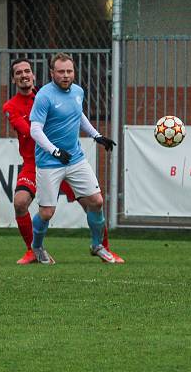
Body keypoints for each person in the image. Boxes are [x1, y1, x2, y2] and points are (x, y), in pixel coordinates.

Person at [27, 52, 121, 265]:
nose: (66, 75)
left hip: (75, 158)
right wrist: (55, 151)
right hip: (50, 162)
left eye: (69, 71)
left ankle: (97, 246)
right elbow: (35, 130)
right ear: (52, 73)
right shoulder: (44, 96)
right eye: (61, 71)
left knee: (96, 201)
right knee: (47, 212)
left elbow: (78, 115)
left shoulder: (78, 91)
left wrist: (96, 135)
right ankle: (37, 247)